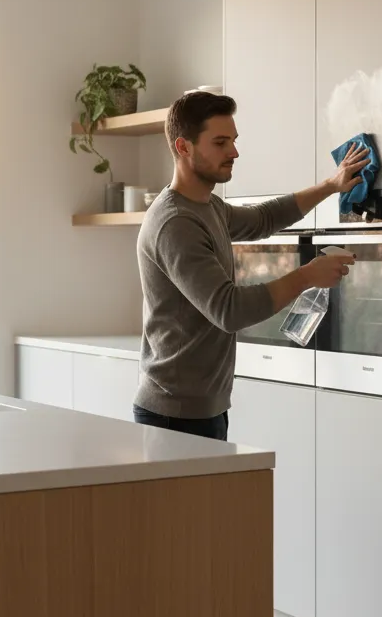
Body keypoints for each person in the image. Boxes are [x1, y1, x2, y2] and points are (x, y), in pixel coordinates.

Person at [133, 91, 367, 441]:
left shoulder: (207, 206)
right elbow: (229, 310)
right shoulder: (175, 223)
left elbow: (263, 218)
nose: (234, 152)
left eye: (234, 140)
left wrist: (331, 185)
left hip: (204, 408)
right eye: (220, 142)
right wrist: (306, 275)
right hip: (173, 415)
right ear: (184, 147)